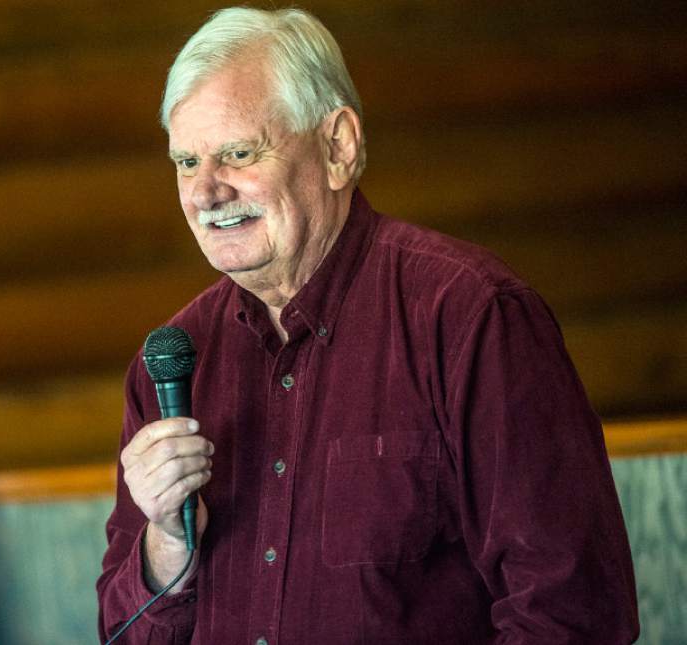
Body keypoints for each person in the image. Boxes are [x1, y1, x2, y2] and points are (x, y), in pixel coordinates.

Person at [97, 7, 639, 643]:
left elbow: (571, 613)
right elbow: (118, 633)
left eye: (238, 153)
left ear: (337, 146)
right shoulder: (173, 361)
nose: (205, 192)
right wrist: (165, 543)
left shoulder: (468, 315)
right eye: (186, 162)